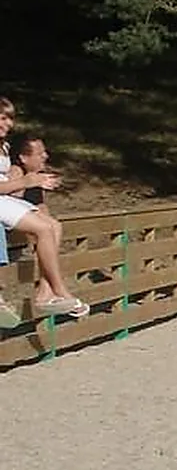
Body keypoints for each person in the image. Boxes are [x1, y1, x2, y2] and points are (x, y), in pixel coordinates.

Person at [0, 101, 88, 320]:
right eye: (3, 118)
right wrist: (28, 181)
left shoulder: (5, 146)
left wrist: (34, 183)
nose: (8, 124)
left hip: (6, 199)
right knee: (43, 229)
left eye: (10, 118)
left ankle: (45, 292)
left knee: (54, 226)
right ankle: (60, 290)